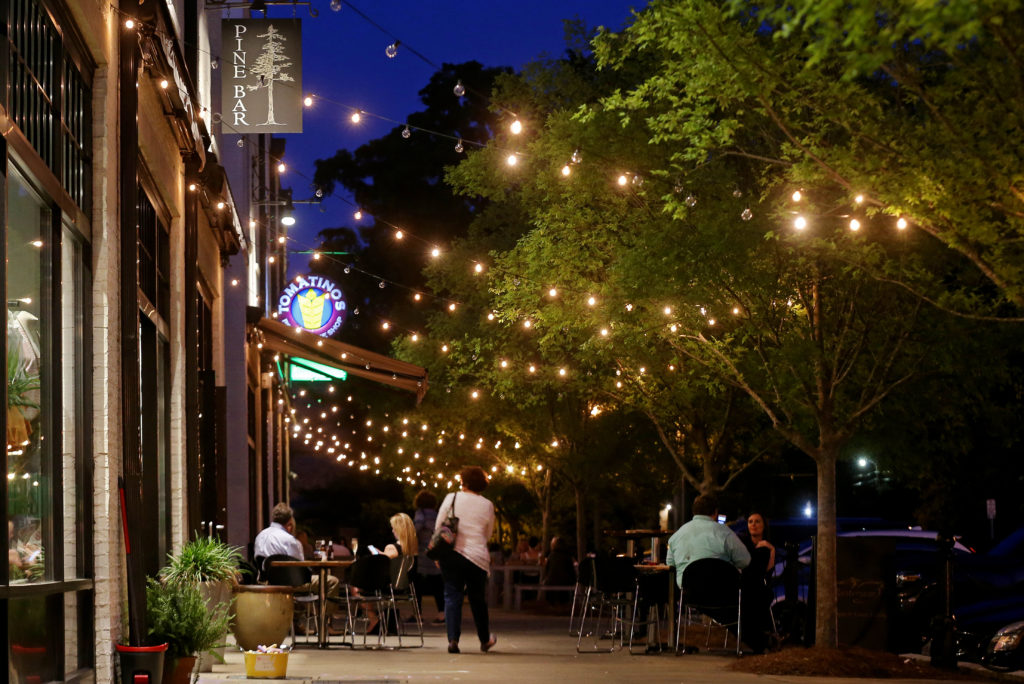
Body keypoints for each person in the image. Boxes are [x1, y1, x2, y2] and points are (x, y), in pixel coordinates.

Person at [666, 494, 763, 652]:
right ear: (715, 512)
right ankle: (760, 641)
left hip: (690, 591)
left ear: (694, 512)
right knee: (749, 597)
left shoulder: (677, 536)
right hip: (722, 590)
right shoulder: (725, 533)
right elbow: (745, 561)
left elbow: (670, 564)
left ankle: (758, 641)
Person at [436, 465, 497, 654]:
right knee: (477, 598)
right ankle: (485, 640)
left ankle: (453, 640)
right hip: (477, 557)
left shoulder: (451, 498)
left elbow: (439, 525)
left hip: (452, 554)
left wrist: (438, 554)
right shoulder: (487, 504)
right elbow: (488, 533)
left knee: (452, 596)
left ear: (464, 481)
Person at [253, 502, 339, 633]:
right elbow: (300, 569)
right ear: (289, 524)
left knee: (299, 581)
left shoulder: (260, 536)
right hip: (290, 583)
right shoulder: (290, 540)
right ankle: (325, 626)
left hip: (266, 581)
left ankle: (296, 624)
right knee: (331, 581)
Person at [413, 489, 445, 624]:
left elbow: (417, 528)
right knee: (437, 583)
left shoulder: (421, 514)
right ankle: (442, 614)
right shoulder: (438, 514)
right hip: (436, 552)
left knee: (417, 584)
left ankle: (418, 614)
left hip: (422, 553)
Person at [541, 536, 576, 605]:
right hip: (565, 581)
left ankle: (551, 604)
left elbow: (546, 570)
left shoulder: (551, 556)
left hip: (551, 581)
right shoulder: (567, 556)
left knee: (550, 582)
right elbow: (571, 571)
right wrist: (574, 580)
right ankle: (564, 603)